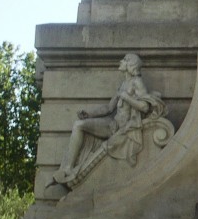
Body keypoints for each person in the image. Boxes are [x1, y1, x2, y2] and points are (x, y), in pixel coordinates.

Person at [52, 53, 165, 186]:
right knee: (78, 124)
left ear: (131, 65)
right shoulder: (123, 84)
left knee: (79, 126)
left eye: (124, 60)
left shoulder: (137, 82)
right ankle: (68, 168)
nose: (120, 61)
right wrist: (89, 114)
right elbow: (109, 108)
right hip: (113, 124)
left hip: (123, 128)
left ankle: (69, 169)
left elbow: (145, 107)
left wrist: (126, 97)